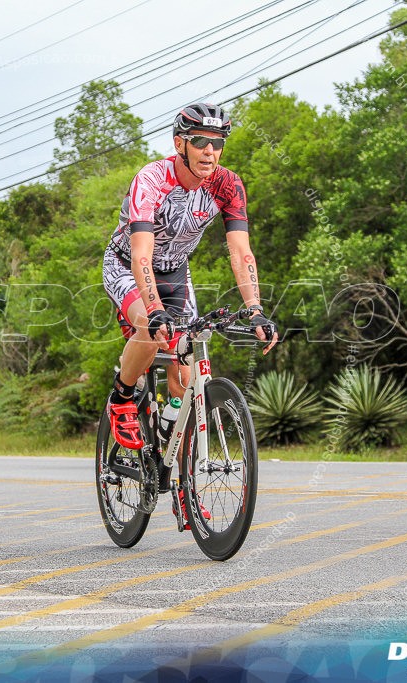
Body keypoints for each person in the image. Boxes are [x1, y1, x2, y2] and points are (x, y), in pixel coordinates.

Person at [101, 103, 278, 526]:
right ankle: (123, 397)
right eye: (200, 142)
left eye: (217, 144)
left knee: (187, 373)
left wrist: (255, 309)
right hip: (128, 265)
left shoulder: (227, 185)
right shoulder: (152, 179)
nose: (210, 151)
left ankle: (181, 479)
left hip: (177, 273)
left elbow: (241, 251)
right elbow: (141, 252)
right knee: (151, 325)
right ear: (180, 144)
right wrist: (157, 311)